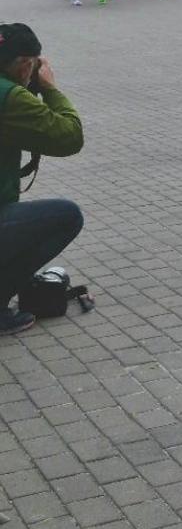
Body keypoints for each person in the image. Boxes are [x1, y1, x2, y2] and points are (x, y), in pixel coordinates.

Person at [0, 23, 84, 335]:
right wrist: (49, 89)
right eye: (34, 65)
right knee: (66, 216)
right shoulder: (10, 98)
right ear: (25, 64)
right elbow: (69, 137)